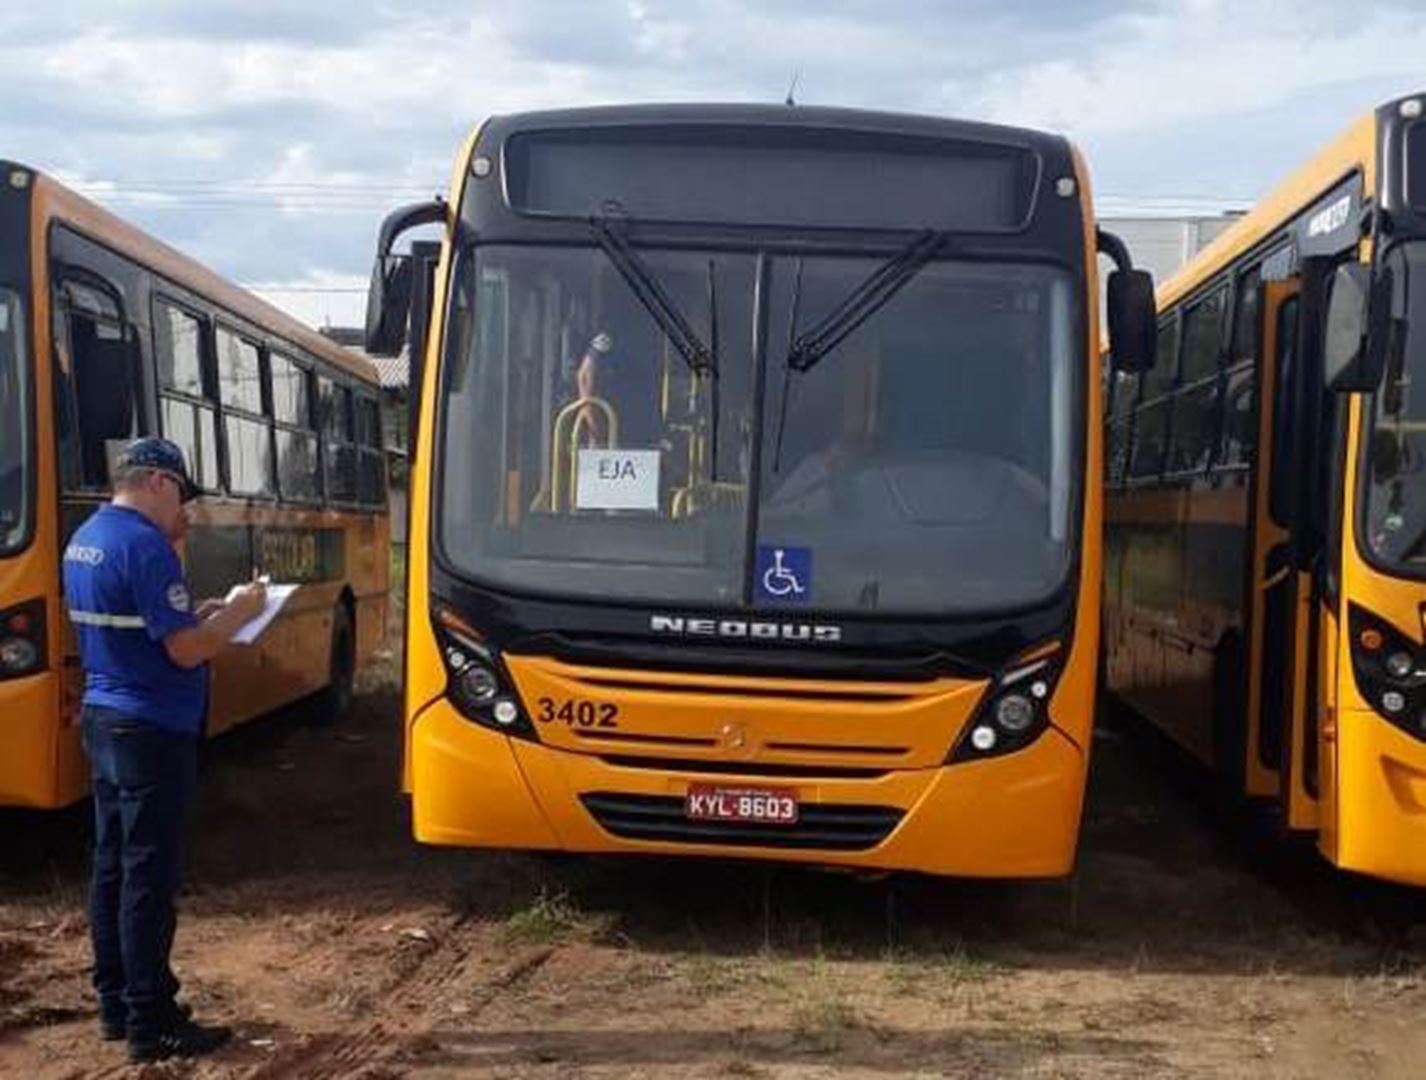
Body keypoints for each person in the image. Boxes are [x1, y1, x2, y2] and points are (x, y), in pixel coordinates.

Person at [61, 437, 267, 1063]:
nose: (184, 507)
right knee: (149, 876)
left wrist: (203, 613)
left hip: (105, 718)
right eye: (181, 491)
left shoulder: (87, 537)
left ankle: (115, 1007)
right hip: (152, 726)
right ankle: (152, 1020)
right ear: (155, 480)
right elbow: (184, 651)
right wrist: (241, 614)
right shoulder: (145, 546)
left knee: (112, 866)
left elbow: (148, 626)